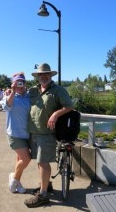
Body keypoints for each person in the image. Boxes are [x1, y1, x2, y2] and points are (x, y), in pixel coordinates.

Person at [24, 63, 73, 208]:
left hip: (47, 133)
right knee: (40, 162)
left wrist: (55, 114)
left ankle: (43, 195)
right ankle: (46, 185)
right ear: (37, 77)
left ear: (51, 75)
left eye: (46, 74)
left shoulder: (58, 90)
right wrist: (11, 91)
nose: (43, 76)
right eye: (41, 74)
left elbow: (69, 106)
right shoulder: (33, 90)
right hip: (34, 132)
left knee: (43, 163)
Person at [0, 72, 31, 194]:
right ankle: (13, 179)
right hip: (14, 133)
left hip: (26, 133)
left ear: (25, 83)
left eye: (22, 81)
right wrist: (12, 91)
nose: (20, 84)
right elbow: (6, 106)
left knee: (19, 160)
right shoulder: (8, 96)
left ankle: (17, 182)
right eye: (17, 82)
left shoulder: (28, 96)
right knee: (26, 159)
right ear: (13, 83)